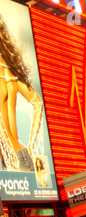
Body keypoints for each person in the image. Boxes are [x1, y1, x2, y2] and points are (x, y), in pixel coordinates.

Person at [0, 14, 43, 172]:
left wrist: (8, 155)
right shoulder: (9, 66)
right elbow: (38, 103)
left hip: (12, 161)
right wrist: (31, 144)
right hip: (23, 154)